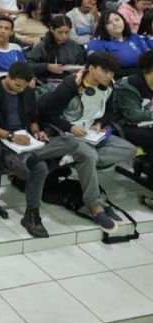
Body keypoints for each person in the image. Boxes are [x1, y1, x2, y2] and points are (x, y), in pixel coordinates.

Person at [0, 62, 85, 238]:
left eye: (24, 86)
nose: (20, 90)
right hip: (3, 141)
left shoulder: (27, 90)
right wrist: (11, 136)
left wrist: (36, 131)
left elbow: (32, 117)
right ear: (8, 78)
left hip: (27, 139)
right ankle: (32, 214)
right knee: (41, 167)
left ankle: (32, 156)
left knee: (72, 142)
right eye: (17, 85)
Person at [39, 52, 137, 232]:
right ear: (91, 68)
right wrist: (69, 127)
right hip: (68, 135)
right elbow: (48, 115)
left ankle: (78, 160)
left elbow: (107, 112)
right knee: (88, 156)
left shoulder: (109, 86)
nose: (110, 76)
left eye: (112, 73)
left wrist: (101, 123)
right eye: (105, 72)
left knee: (129, 150)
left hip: (91, 134)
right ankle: (95, 206)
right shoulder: (70, 86)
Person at [114, 50, 153, 160]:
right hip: (126, 126)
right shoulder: (130, 85)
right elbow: (132, 115)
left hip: (147, 124)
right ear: (148, 69)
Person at [26, 15, 85, 81]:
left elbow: (81, 64)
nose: (64, 36)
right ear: (52, 29)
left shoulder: (74, 46)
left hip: (71, 80)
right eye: (60, 32)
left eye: (67, 32)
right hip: (48, 81)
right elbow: (28, 66)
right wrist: (47, 66)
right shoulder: (43, 46)